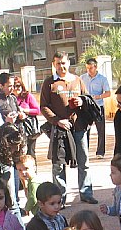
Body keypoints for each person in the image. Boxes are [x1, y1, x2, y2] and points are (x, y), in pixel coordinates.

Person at [40, 51, 97, 205]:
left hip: (79, 128)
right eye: (58, 63)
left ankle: (86, 193)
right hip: (59, 130)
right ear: (54, 64)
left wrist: (81, 101)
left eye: (63, 63)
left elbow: (88, 99)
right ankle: (60, 198)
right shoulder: (49, 83)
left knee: (84, 162)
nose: (61, 66)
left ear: (69, 63)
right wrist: (57, 121)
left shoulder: (77, 80)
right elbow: (43, 107)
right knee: (58, 165)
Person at [81, 58, 111, 158]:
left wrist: (98, 97)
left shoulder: (102, 79)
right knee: (85, 130)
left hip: (98, 106)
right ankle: (84, 151)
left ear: (96, 67)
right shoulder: (82, 78)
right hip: (86, 108)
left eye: (91, 68)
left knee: (101, 130)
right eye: (87, 68)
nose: (89, 70)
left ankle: (100, 152)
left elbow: (108, 93)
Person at [13, 77, 41, 158]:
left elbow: (37, 110)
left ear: (22, 86)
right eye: (14, 86)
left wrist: (25, 111)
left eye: (18, 86)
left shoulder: (28, 96)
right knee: (17, 154)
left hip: (28, 129)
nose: (16, 88)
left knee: (30, 153)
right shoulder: (10, 98)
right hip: (16, 130)